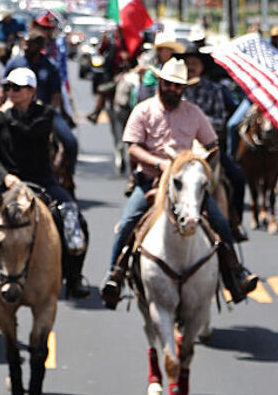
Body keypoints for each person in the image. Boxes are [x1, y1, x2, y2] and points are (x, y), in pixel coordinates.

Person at [100, 58, 260, 309]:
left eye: (178, 86)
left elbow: (212, 145)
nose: (172, 89)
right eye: (168, 84)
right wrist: (159, 163)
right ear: (160, 83)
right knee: (129, 221)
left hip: (185, 186)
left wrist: (199, 162)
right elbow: (132, 148)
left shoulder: (193, 113)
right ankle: (114, 276)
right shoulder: (143, 110)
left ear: (184, 88)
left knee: (220, 222)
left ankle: (236, 274)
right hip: (152, 181)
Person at [0, 67, 89, 300]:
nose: (11, 92)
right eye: (8, 87)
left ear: (31, 91)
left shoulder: (44, 115)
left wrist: (7, 115)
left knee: (76, 219)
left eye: (16, 88)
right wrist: (4, 176)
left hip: (41, 181)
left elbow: (31, 132)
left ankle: (74, 277)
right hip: (4, 184)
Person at [181, 42, 247, 239]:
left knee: (238, 177)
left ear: (202, 66)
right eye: (188, 63)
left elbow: (219, 121)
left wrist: (198, 122)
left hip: (207, 147)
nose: (191, 66)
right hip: (178, 147)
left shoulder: (214, 89)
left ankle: (234, 224)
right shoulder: (174, 87)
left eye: (195, 63)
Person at [4, 30, 78, 177]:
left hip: (43, 112)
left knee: (70, 142)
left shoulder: (50, 67)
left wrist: (47, 111)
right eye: (25, 43)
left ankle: (69, 174)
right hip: (15, 109)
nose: (25, 47)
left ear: (39, 46)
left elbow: (56, 95)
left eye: (30, 45)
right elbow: (3, 90)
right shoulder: (15, 63)